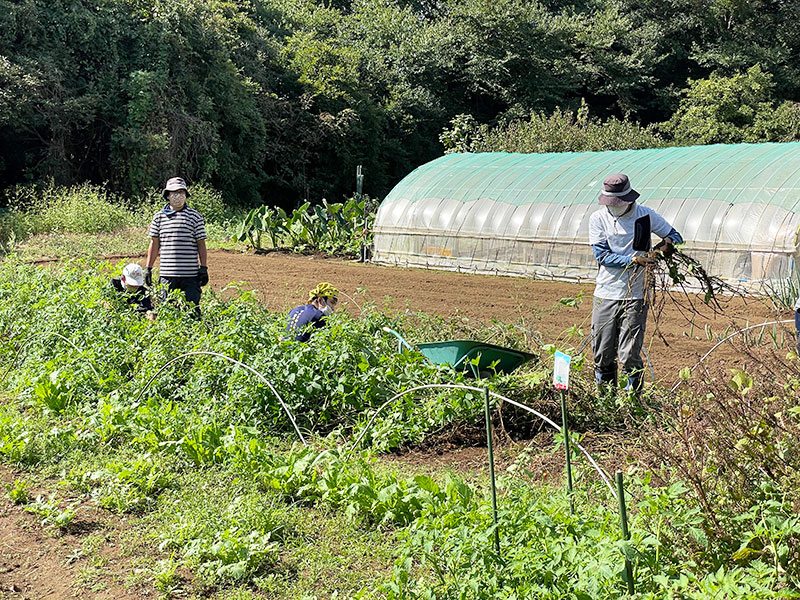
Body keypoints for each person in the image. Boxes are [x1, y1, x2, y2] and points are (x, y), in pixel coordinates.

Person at [588, 173, 684, 394]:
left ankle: (633, 400)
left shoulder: (645, 216)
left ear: (629, 199)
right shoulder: (598, 218)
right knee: (603, 351)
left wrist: (666, 245)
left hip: (636, 294)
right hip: (607, 292)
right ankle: (606, 398)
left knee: (629, 353)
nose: (614, 207)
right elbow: (602, 257)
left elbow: (675, 235)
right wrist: (632, 260)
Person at [144, 177, 208, 316]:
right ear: (167, 195)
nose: (177, 195)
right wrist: (148, 268)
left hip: (190, 275)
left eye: (181, 192)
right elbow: (154, 244)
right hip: (167, 275)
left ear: (186, 195)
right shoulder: (159, 217)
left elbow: (201, 244)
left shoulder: (195, 216)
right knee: (168, 313)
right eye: (174, 192)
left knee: (192, 312)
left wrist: (203, 267)